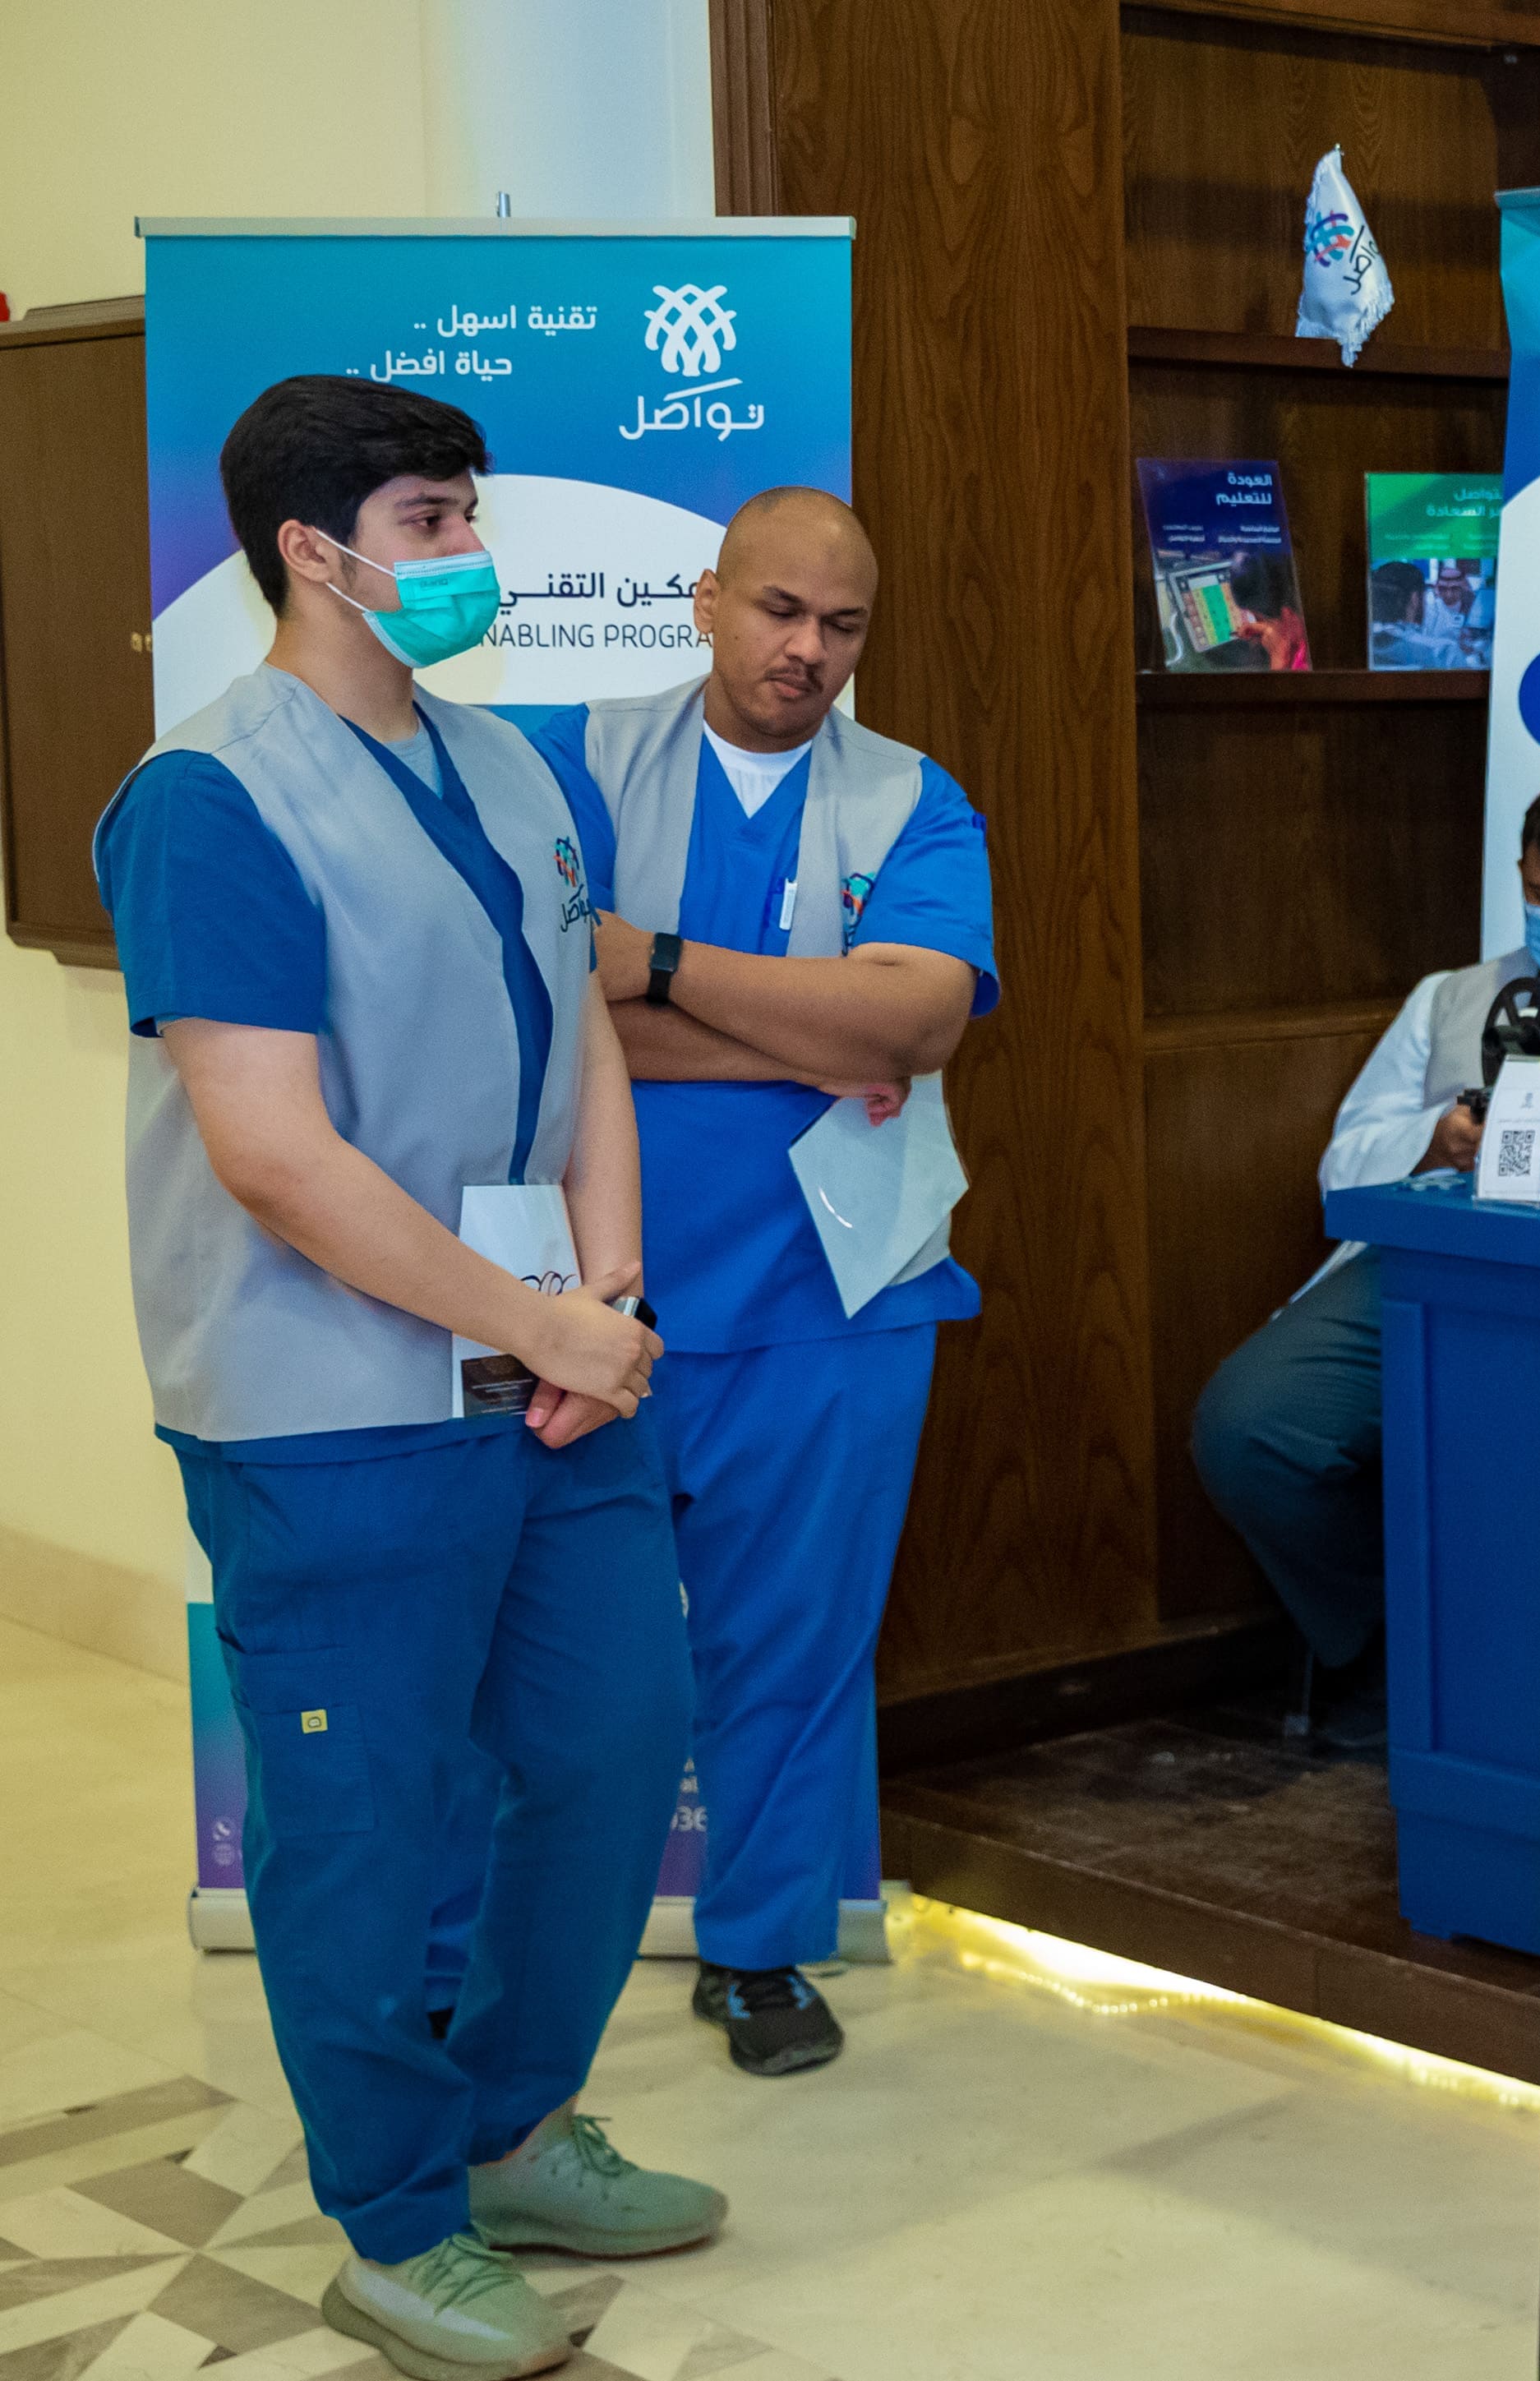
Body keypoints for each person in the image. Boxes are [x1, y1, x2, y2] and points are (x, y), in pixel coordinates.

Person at [95, 374, 726, 2381]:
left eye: (468, 516)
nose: (470, 556)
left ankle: (515, 2126)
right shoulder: (211, 797)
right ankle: (394, 2215)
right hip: (328, 1402)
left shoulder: (510, 766)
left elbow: (588, 1033)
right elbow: (271, 1151)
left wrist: (601, 1286)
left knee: (615, 1740)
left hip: (547, 1366)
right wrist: (545, 1324)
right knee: (363, 1818)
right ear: (312, 549)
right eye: (432, 522)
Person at [518, 487, 1001, 2079]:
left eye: (841, 625)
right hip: (594, 1293)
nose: (807, 649)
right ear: (707, 598)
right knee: (558, 1662)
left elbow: (914, 1025)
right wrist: (812, 1027)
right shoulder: (570, 761)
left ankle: (760, 1946)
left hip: (834, 1295)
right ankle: (508, 1960)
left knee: (794, 1642)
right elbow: (542, 1009)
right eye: (779, 610)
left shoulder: (913, 797)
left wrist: (655, 964)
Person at [1187, 774, 1540, 1751]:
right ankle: (1398, 1633)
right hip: (1429, 1265)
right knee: (1249, 1426)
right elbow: (1344, 1160)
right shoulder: (1452, 997)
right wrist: (1437, 1139)